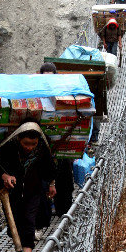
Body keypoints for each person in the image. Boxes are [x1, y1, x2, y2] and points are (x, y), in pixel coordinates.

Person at [0, 122, 56, 252]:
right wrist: (4, 175)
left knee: (29, 218)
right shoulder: (7, 148)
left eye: (33, 144)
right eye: (26, 143)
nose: (29, 147)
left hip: (33, 189)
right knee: (14, 222)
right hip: (11, 191)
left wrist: (51, 183)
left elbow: (50, 166)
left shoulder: (43, 148)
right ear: (18, 139)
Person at [38, 62, 74, 218]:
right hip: (42, 142)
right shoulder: (36, 94)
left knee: (64, 176)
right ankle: (44, 214)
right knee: (42, 178)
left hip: (60, 141)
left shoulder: (63, 93)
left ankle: (63, 211)